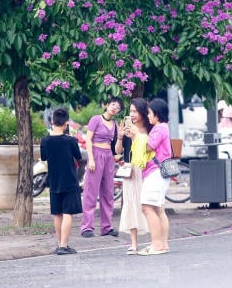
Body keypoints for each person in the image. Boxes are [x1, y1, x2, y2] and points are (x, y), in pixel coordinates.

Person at [40, 107, 83, 256]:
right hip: (69, 180)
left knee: (57, 214)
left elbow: (44, 157)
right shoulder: (70, 140)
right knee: (68, 213)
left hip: (54, 180)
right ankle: (64, 246)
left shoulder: (45, 141)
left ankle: (60, 244)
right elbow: (78, 156)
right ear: (66, 122)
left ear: (52, 122)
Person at [80, 96, 122, 238]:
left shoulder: (115, 125)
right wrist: (91, 159)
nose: (114, 108)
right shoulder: (96, 119)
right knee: (91, 191)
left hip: (108, 157)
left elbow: (115, 148)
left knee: (108, 192)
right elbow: (88, 139)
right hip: (96, 155)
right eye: (113, 105)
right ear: (106, 105)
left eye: (118, 107)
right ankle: (87, 227)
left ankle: (106, 227)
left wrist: (121, 138)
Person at [115, 98, 150, 255]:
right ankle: (134, 244)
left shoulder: (149, 130)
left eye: (135, 111)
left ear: (143, 112)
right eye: (130, 111)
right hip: (130, 170)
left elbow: (147, 149)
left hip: (144, 169)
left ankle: (153, 241)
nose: (132, 114)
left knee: (147, 205)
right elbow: (118, 152)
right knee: (130, 205)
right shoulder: (129, 129)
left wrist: (136, 136)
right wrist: (121, 137)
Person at [137, 97, 172, 256]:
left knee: (147, 207)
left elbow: (148, 146)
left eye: (149, 113)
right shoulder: (164, 127)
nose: (148, 116)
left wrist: (137, 134)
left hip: (155, 172)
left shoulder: (158, 128)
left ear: (157, 114)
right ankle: (163, 244)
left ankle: (156, 244)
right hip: (160, 172)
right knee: (158, 209)